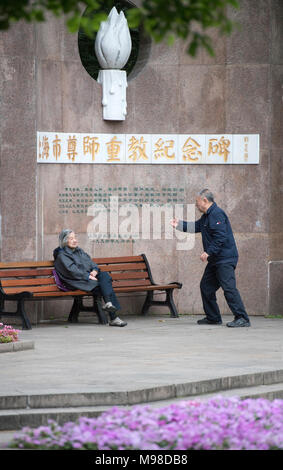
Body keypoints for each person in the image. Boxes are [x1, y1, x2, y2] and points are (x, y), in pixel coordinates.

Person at [171, 189, 250, 328]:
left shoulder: (217, 214)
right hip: (216, 260)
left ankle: (242, 318)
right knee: (206, 287)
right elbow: (197, 226)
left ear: (205, 201)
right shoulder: (207, 216)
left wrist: (208, 252)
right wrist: (180, 224)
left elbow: (221, 237)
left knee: (229, 288)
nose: (196, 205)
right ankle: (213, 317)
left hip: (225, 259)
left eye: (197, 202)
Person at [53, 229, 127, 327]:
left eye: (75, 237)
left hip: (87, 278)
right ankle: (113, 317)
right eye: (71, 239)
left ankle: (108, 304)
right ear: (64, 241)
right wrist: (88, 276)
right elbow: (72, 271)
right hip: (75, 281)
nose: (75, 240)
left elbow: (91, 263)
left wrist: (95, 270)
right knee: (104, 285)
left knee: (105, 276)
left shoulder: (79, 251)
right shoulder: (62, 255)